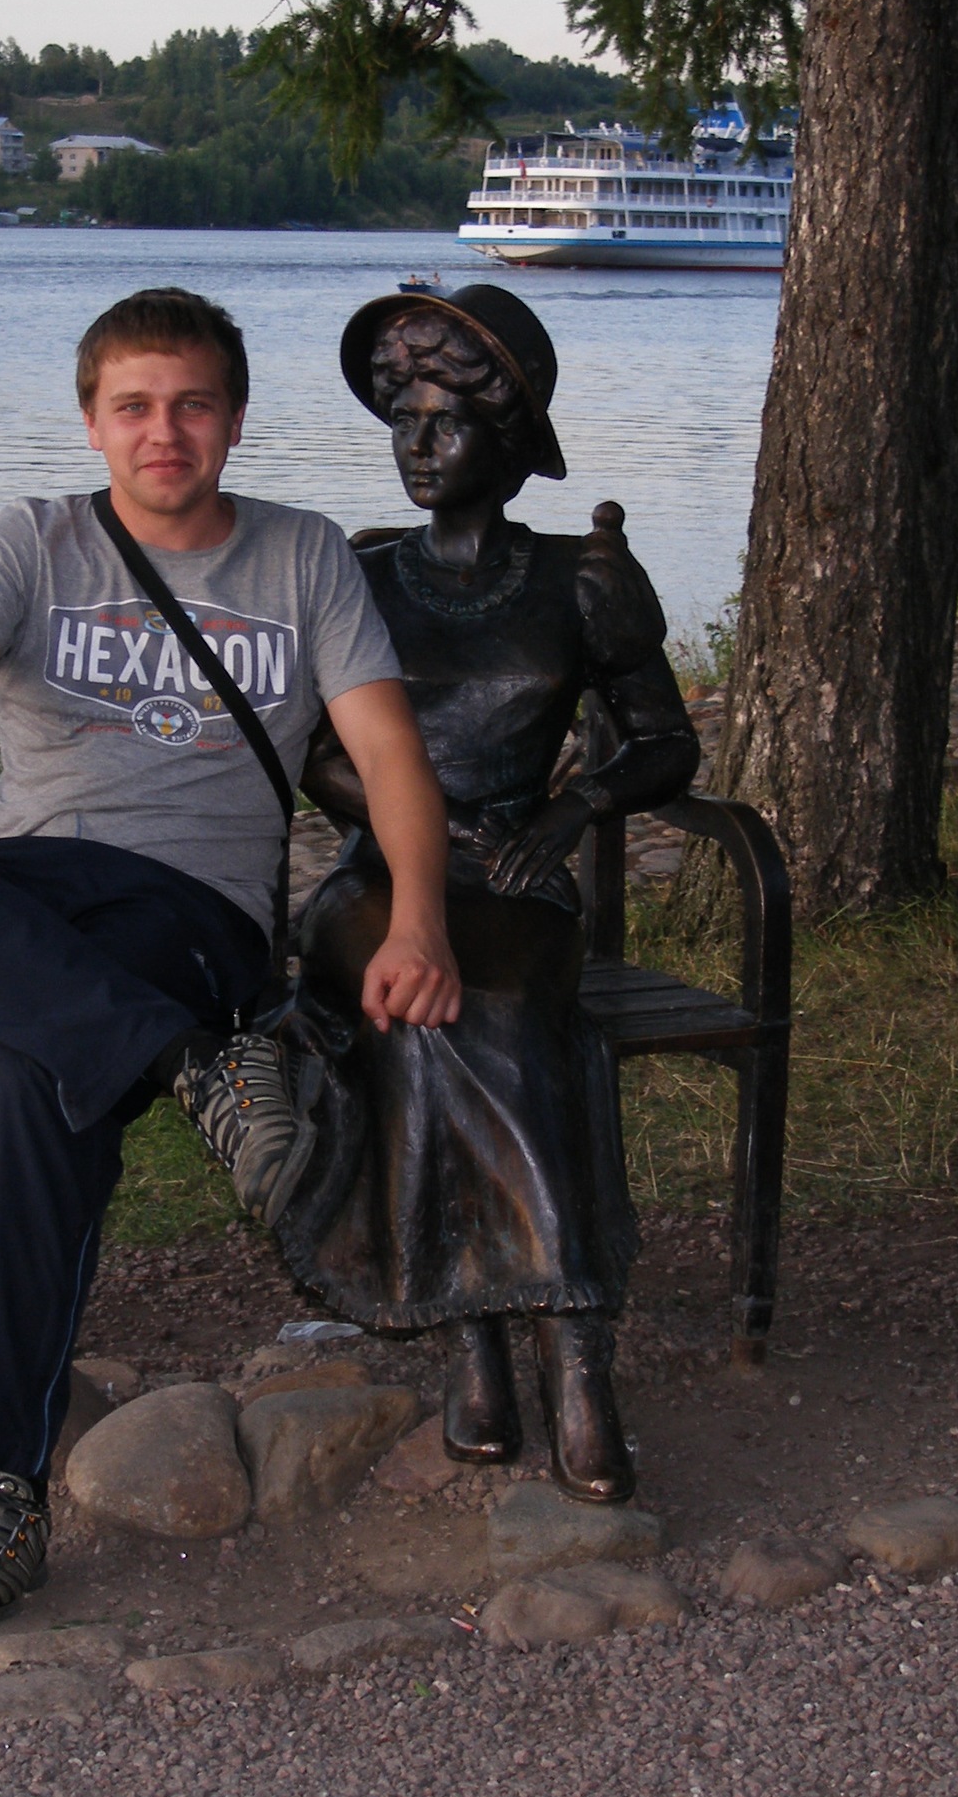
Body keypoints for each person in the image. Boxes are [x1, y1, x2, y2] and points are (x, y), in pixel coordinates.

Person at [0, 288, 462, 1621]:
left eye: (192, 405)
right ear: (92, 422)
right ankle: (194, 1069)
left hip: (187, 912)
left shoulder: (304, 558)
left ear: (234, 420)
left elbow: (387, 755)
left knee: (24, 1066)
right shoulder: (30, 540)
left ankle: (0, 1487)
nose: (163, 432)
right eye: (133, 406)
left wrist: (418, 916)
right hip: (29, 892)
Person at [273, 285, 699, 1504]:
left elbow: (664, 743)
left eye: (446, 424)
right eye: (402, 421)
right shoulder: (359, 576)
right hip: (376, 882)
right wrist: (421, 819)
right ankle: (486, 1337)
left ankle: (563, 1353)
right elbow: (311, 752)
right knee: (420, 996)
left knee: (496, 998)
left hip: (518, 881)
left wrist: (569, 811)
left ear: (505, 441)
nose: (416, 446)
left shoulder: (584, 578)